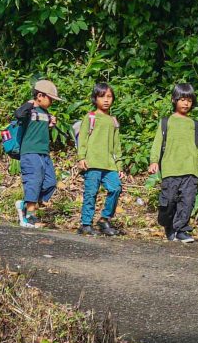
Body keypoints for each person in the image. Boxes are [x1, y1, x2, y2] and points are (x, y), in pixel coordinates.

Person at [149, 83, 198, 243]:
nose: (186, 103)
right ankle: (168, 224)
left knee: (187, 202)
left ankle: (182, 230)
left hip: (190, 169)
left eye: (189, 100)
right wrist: (154, 161)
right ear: (174, 100)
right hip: (170, 169)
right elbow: (157, 143)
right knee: (168, 201)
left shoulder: (194, 124)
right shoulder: (166, 122)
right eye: (182, 99)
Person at [8, 77, 61, 228]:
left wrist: (50, 123)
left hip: (44, 153)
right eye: (50, 99)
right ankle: (29, 216)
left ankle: (25, 205)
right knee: (33, 180)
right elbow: (18, 114)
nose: (52, 102)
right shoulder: (29, 109)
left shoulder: (45, 112)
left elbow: (39, 127)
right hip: (30, 152)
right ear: (40, 96)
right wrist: (30, 103)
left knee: (50, 182)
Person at [73, 83, 125, 235]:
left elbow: (116, 145)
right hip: (92, 163)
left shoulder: (113, 121)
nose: (106, 100)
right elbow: (82, 139)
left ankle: (104, 219)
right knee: (91, 193)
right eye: (102, 97)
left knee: (115, 188)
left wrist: (119, 165)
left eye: (109, 97)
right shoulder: (90, 117)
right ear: (95, 99)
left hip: (109, 164)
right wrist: (81, 157)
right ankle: (86, 224)